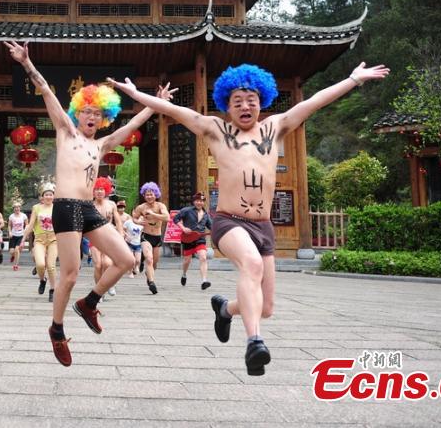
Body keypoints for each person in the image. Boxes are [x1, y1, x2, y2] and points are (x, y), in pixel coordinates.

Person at [108, 61, 389, 375]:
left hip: (263, 226)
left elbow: (313, 102)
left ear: (262, 102)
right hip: (229, 222)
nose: (245, 106)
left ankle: (225, 310)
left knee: (265, 307)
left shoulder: (274, 127)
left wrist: (353, 79)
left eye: (251, 100)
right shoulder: (217, 131)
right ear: (226, 105)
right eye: (238, 101)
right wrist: (137, 94)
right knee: (252, 265)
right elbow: (176, 111)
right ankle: (255, 343)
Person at [5, 39, 174, 366]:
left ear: (104, 117)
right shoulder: (66, 132)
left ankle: (89, 303)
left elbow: (133, 124)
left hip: (89, 209)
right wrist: (26, 63)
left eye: (97, 113)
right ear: (77, 113)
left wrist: (156, 104)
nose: (91, 116)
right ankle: (56, 330)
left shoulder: (102, 144)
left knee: (126, 260)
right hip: (66, 207)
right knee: (70, 274)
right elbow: (47, 91)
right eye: (86, 111)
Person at [131, 182, 169, 294]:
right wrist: (138, 222)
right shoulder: (141, 207)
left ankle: (149, 275)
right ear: (144, 195)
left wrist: (153, 214)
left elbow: (167, 218)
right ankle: (152, 283)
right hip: (146, 236)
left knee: (154, 263)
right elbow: (134, 217)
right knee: (149, 258)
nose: (149, 196)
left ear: (156, 194)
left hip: (157, 237)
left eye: (151, 194)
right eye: (147, 194)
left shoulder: (160, 206)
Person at [22, 181, 57, 302]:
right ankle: (42, 280)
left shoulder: (57, 208)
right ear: (42, 196)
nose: (48, 197)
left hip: (54, 240)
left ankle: (53, 290)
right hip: (39, 240)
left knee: (51, 266)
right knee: (40, 264)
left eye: (51, 194)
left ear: (53, 196)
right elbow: (31, 225)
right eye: (46, 194)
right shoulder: (36, 208)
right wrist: (23, 240)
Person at [174, 192, 214, 290]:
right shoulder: (186, 210)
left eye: (201, 201)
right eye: (197, 201)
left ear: (204, 202)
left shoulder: (206, 215)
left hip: (200, 239)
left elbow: (211, 227)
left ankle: (204, 281)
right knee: (187, 261)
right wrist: (183, 228)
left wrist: (218, 231)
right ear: (194, 201)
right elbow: (176, 219)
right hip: (188, 238)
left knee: (203, 257)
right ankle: (184, 274)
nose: (199, 203)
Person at [90, 177, 122, 297]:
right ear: (93, 191)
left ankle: (110, 284)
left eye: (102, 189)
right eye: (97, 189)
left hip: (109, 237)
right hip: (94, 238)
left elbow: (118, 221)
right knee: (98, 265)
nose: (99, 192)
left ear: (106, 191)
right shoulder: (89, 205)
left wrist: (121, 236)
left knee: (107, 263)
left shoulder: (111, 204)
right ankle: (98, 292)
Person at [117, 199, 143, 277]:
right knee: (129, 257)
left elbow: (141, 231)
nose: (121, 209)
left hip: (136, 241)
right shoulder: (115, 215)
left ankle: (135, 266)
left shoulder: (128, 217)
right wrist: (125, 235)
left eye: (122, 207)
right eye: (119, 207)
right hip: (121, 236)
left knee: (137, 259)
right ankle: (129, 270)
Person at [7, 199, 28, 271]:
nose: (17, 208)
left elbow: (27, 224)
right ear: (13, 209)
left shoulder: (24, 216)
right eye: (15, 207)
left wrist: (25, 231)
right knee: (12, 251)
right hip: (13, 235)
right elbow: (9, 225)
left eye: (18, 207)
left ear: (20, 208)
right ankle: (13, 256)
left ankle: (15, 265)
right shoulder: (11, 216)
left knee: (17, 250)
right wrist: (10, 232)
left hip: (21, 235)